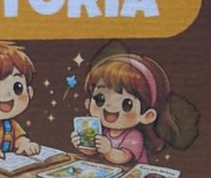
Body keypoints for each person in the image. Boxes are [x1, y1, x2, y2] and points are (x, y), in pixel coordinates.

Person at [70, 50, 198, 168]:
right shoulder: (100, 130)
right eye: (100, 99)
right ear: (88, 103)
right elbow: (91, 151)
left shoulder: (134, 137)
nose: (110, 106)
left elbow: (123, 157)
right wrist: (82, 144)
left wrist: (108, 151)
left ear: (147, 116)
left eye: (126, 104)